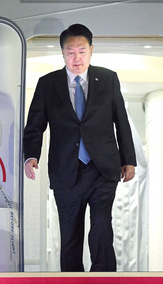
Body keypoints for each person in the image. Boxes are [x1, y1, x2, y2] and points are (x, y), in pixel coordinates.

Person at [23, 23, 137, 272]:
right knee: (70, 234)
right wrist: (31, 155)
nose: (76, 58)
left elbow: (121, 121)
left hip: (103, 168)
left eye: (82, 51)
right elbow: (34, 125)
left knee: (101, 228)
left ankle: (104, 278)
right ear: (62, 53)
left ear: (91, 50)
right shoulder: (48, 83)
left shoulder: (108, 78)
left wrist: (129, 159)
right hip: (66, 170)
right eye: (70, 52)